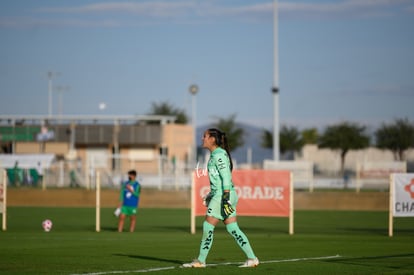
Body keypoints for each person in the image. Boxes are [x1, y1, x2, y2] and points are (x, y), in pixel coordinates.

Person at [183, 128, 259, 268]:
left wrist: (224, 198)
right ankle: (252, 258)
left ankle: (200, 261)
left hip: (223, 195)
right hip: (224, 194)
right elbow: (219, 179)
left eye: (204, 136)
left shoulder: (218, 155)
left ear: (212, 139)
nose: (202, 138)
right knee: (233, 228)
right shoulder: (216, 155)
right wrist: (210, 195)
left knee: (208, 226)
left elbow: (225, 177)